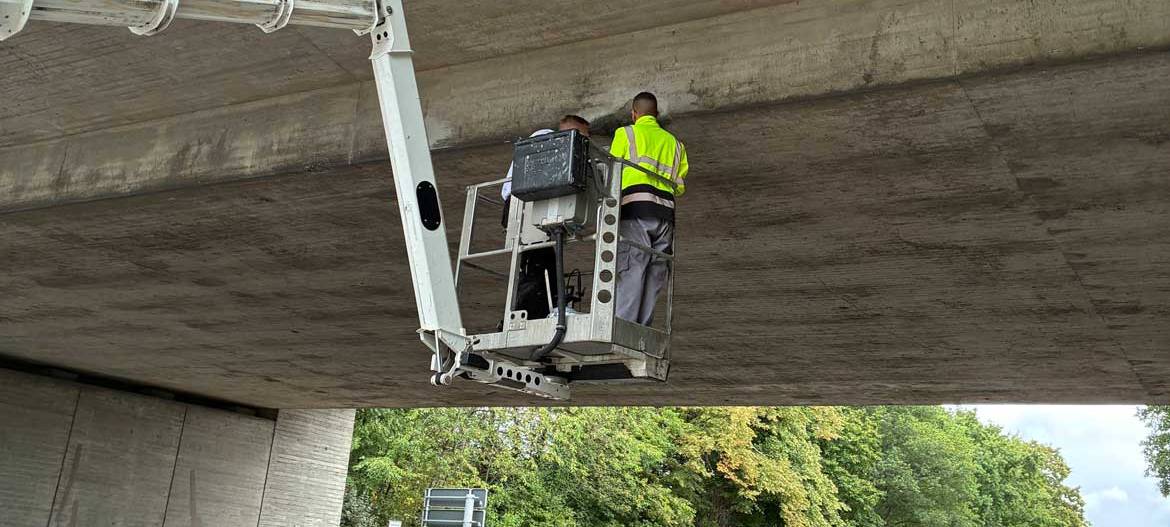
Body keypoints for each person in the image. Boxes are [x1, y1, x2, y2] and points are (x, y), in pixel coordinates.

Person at [500, 115, 592, 319]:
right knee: (536, 260)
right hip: (521, 205)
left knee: (543, 258)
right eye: (583, 137)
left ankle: (545, 308)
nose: (585, 144)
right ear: (572, 131)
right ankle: (528, 312)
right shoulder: (545, 137)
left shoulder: (559, 149)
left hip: (533, 203)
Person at [609, 92, 688, 325]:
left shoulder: (626, 133)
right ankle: (640, 329)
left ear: (634, 113)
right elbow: (680, 187)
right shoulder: (676, 145)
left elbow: (613, 172)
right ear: (657, 114)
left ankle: (623, 328)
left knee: (633, 268)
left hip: (635, 210)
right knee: (655, 272)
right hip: (665, 216)